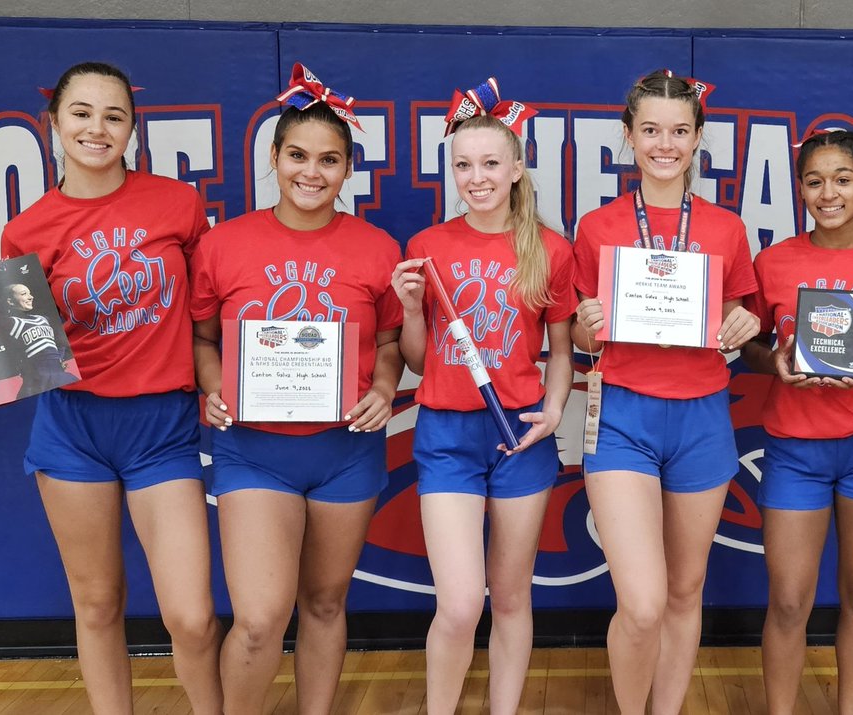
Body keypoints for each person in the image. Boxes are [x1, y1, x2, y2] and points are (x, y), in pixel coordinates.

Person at [0, 62, 222, 714]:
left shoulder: (177, 204)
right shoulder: (26, 229)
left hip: (162, 428)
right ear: (54, 124)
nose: (97, 128)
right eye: (82, 113)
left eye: (114, 115)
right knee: (97, 602)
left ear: (132, 127)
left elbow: (211, 310)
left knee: (191, 614)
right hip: (73, 428)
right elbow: (21, 357)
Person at [189, 63, 403, 714]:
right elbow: (202, 339)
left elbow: (392, 345)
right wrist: (214, 384)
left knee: (324, 602)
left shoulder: (377, 248)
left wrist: (386, 388)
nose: (312, 171)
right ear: (274, 158)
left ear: (347, 170)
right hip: (255, 450)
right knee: (258, 617)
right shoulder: (223, 245)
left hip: (346, 451)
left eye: (330, 159)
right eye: (298, 155)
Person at [570, 69, 760, 715]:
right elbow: (579, 334)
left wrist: (747, 320)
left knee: (685, 591)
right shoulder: (597, 227)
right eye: (650, 130)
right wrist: (586, 325)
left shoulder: (726, 228)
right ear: (628, 136)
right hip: (623, 412)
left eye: (679, 131)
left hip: (703, 416)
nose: (664, 143)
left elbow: (740, 316)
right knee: (643, 602)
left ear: (697, 137)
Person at [390, 77, 575, 715]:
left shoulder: (550, 249)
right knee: (463, 601)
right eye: (464, 165)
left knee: (513, 594)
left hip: (520, 435)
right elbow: (419, 359)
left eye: (492, 163)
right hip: (447, 435)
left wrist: (553, 412)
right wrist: (412, 309)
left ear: (517, 169)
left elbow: (560, 345)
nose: (477, 177)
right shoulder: (429, 247)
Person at [739, 128, 853, 714]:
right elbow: (748, 344)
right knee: (790, 601)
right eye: (815, 181)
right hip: (796, 449)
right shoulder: (772, 261)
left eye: (843, 179)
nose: (829, 193)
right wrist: (772, 361)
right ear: (800, 188)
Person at [4, 283, 79, 397]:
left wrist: (59, 358)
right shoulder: (10, 323)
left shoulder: (43, 319)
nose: (30, 297)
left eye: (30, 293)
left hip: (60, 376)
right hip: (36, 382)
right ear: (10, 301)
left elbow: (59, 343)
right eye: (24, 294)